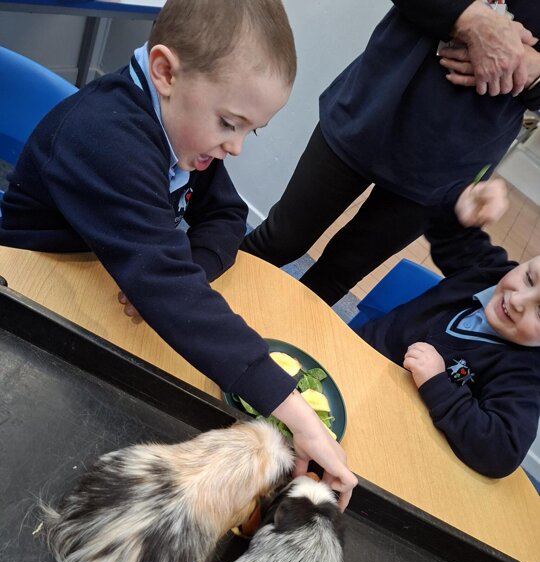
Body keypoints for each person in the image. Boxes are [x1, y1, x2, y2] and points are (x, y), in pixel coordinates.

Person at [0, 0, 357, 508]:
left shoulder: (185, 129)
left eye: (249, 130)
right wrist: (299, 417)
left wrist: (184, 268)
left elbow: (226, 215)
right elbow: (171, 291)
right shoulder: (106, 139)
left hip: (101, 274)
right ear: (165, 72)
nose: (236, 147)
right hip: (30, 287)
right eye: (229, 123)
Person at [241, 0, 540, 307]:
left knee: (332, 278)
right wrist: (467, 18)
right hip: (377, 97)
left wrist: (535, 72)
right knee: (280, 240)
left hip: (455, 157)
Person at [357, 211, 540, 478]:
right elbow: (443, 225)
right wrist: (461, 202)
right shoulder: (485, 269)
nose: (517, 301)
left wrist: (438, 384)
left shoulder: (525, 372)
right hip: (352, 356)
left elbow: (501, 452)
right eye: (529, 279)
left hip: (389, 431)